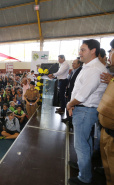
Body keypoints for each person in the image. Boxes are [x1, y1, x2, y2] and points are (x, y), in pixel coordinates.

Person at [67, 39, 108, 185]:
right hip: (86, 110)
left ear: (93, 51)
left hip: (84, 110)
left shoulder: (94, 69)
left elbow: (82, 95)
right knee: (87, 142)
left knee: (81, 145)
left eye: (83, 49)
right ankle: (83, 165)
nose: (80, 53)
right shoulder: (89, 67)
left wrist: (70, 104)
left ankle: (84, 177)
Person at [97, 39, 114, 185]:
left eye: (111, 51)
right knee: (108, 168)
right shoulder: (111, 74)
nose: (110, 54)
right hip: (106, 129)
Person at [62, 57, 82, 126]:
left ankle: (71, 121)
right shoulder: (73, 71)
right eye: (72, 63)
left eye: (74, 63)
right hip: (70, 91)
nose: (73, 65)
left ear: (79, 64)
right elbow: (69, 82)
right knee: (68, 104)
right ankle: (68, 118)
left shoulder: (80, 71)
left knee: (72, 106)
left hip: (75, 93)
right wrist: (67, 92)